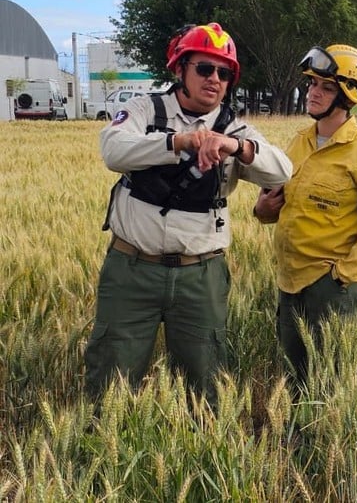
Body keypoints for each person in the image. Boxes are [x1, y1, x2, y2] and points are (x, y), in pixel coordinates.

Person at [85, 23, 293, 407]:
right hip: (132, 268)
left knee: (206, 379)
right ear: (180, 69)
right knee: (111, 376)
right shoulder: (145, 109)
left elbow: (281, 170)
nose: (214, 79)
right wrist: (176, 142)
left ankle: (202, 452)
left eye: (224, 73)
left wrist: (235, 146)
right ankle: (99, 452)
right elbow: (113, 150)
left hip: (200, 275)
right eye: (204, 68)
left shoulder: (235, 128)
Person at [253, 44, 357, 386]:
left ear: (348, 95)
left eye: (326, 87)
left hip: (335, 289)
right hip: (290, 285)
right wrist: (261, 211)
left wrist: (342, 276)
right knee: (294, 384)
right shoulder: (298, 143)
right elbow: (277, 204)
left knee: (334, 386)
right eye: (312, 84)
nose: (313, 92)